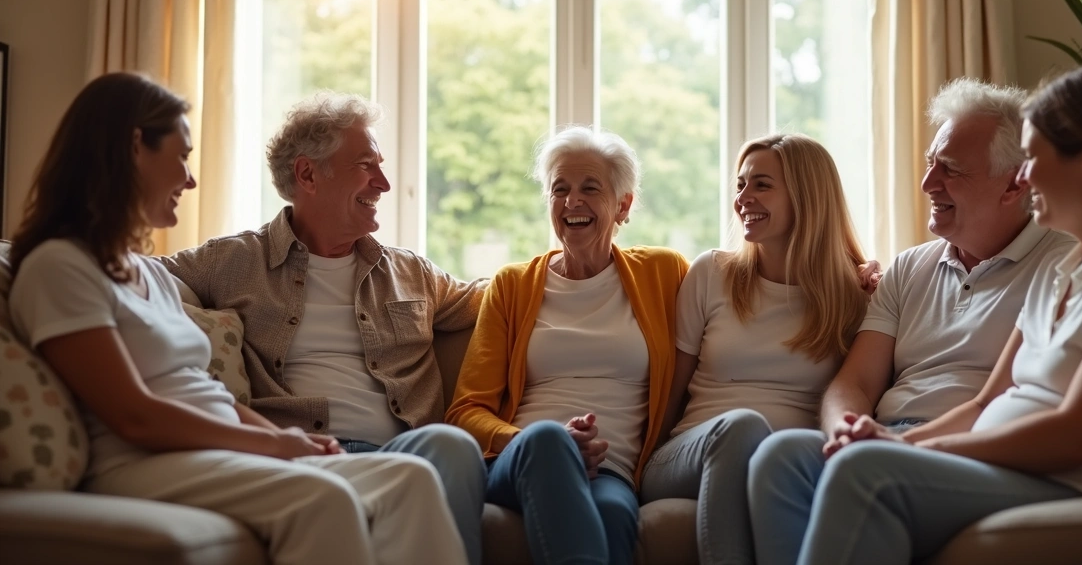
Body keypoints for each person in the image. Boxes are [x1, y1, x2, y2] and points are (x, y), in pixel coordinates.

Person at [7, 72, 465, 565]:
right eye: (181, 156)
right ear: (135, 147)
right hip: (144, 457)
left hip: (210, 447)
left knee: (410, 478)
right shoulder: (60, 267)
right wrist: (269, 442)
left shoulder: (146, 273)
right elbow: (133, 416)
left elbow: (209, 395)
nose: (190, 178)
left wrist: (281, 440)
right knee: (322, 498)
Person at [767, 64, 1082, 564]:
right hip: (1008, 469)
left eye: (1034, 157)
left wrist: (912, 453)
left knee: (867, 474)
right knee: (794, 458)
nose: (1023, 178)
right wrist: (892, 439)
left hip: (1074, 482)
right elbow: (984, 405)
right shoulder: (1063, 270)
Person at [748, 78, 1076, 564]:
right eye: (929, 164)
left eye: (952, 170)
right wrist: (846, 429)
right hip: (887, 435)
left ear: (1015, 183)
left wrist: (893, 446)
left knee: (861, 468)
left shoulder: (1062, 264)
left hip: (967, 445)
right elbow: (854, 381)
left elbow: (1007, 399)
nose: (927, 184)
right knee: (779, 457)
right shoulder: (909, 267)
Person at [160, 92, 486, 563]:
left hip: (403, 450)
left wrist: (576, 266)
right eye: (366, 165)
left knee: (451, 444)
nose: (385, 183)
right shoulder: (232, 261)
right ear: (308, 174)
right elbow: (132, 278)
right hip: (299, 453)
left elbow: (494, 298)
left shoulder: (410, 272)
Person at [446, 126, 688, 565]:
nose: (571, 202)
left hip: (608, 470)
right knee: (547, 440)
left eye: (589, 188)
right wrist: (544, 442)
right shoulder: (512, 284)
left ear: (623, 205)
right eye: (560, 189)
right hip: (522, 458)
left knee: (614, 512)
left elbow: (741, 284)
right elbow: (465, 412)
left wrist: (855, 267)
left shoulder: (664, 273)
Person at [640, 134, 871, 564]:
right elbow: (671, 391)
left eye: (761, 184)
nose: (743, 197)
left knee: (769, 451)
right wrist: (638, 469)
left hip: (786, 467)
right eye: (741, 185)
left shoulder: (856, 294)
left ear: (807, 196)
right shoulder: (712, 273)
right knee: (743, 427)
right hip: (688, 456)